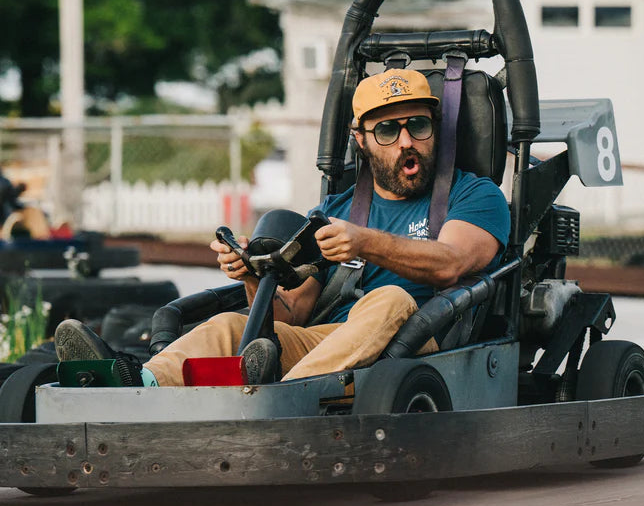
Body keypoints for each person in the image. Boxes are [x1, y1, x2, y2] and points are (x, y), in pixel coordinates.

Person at [55, 68, 511, 386]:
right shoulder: (336, 209)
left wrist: (366, 243)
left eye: (418, 126)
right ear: (362, 141)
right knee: (230, 325)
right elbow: (290, 315)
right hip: (323, 346)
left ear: (436, 128)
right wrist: (254, 272)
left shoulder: (475, 195)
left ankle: (275, 396)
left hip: (419, 343)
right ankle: (139, 384)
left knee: (387, 298)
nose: (407, 141)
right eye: (389, 131)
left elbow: (452, 265)